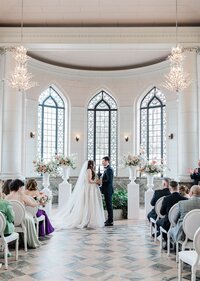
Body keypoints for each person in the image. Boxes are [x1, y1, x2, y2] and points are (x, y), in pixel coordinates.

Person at [53, 160, 105, 229]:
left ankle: (88, 219)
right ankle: (87, 219)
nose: (94, 165)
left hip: (89, 188)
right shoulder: (89, 170)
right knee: (89, 203)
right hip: (89, 188)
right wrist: (96, 181)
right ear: (91, 164)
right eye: (94, 164)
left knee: (89, 204)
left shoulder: (89, 170)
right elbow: (89, 180)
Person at [6, 179, 40, 248]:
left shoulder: (7, 197)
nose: (23, 189)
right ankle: (29, 241)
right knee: (29, 218)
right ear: (19, 187)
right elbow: (32, 204)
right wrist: (39, 202)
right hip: (22, 219)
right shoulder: (21, 195)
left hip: (11, 220)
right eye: (22, 187)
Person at [99, 156, 114, 226]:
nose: (102, 162)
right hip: (107, 190)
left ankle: (110, 220)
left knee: (109, 205)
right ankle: (109, 219)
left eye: (103, 161)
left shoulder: (109, 169)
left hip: (108, 190)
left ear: (107, 161)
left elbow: (109, 181)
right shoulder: (107, 169)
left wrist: (101, 181)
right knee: (108, 205)